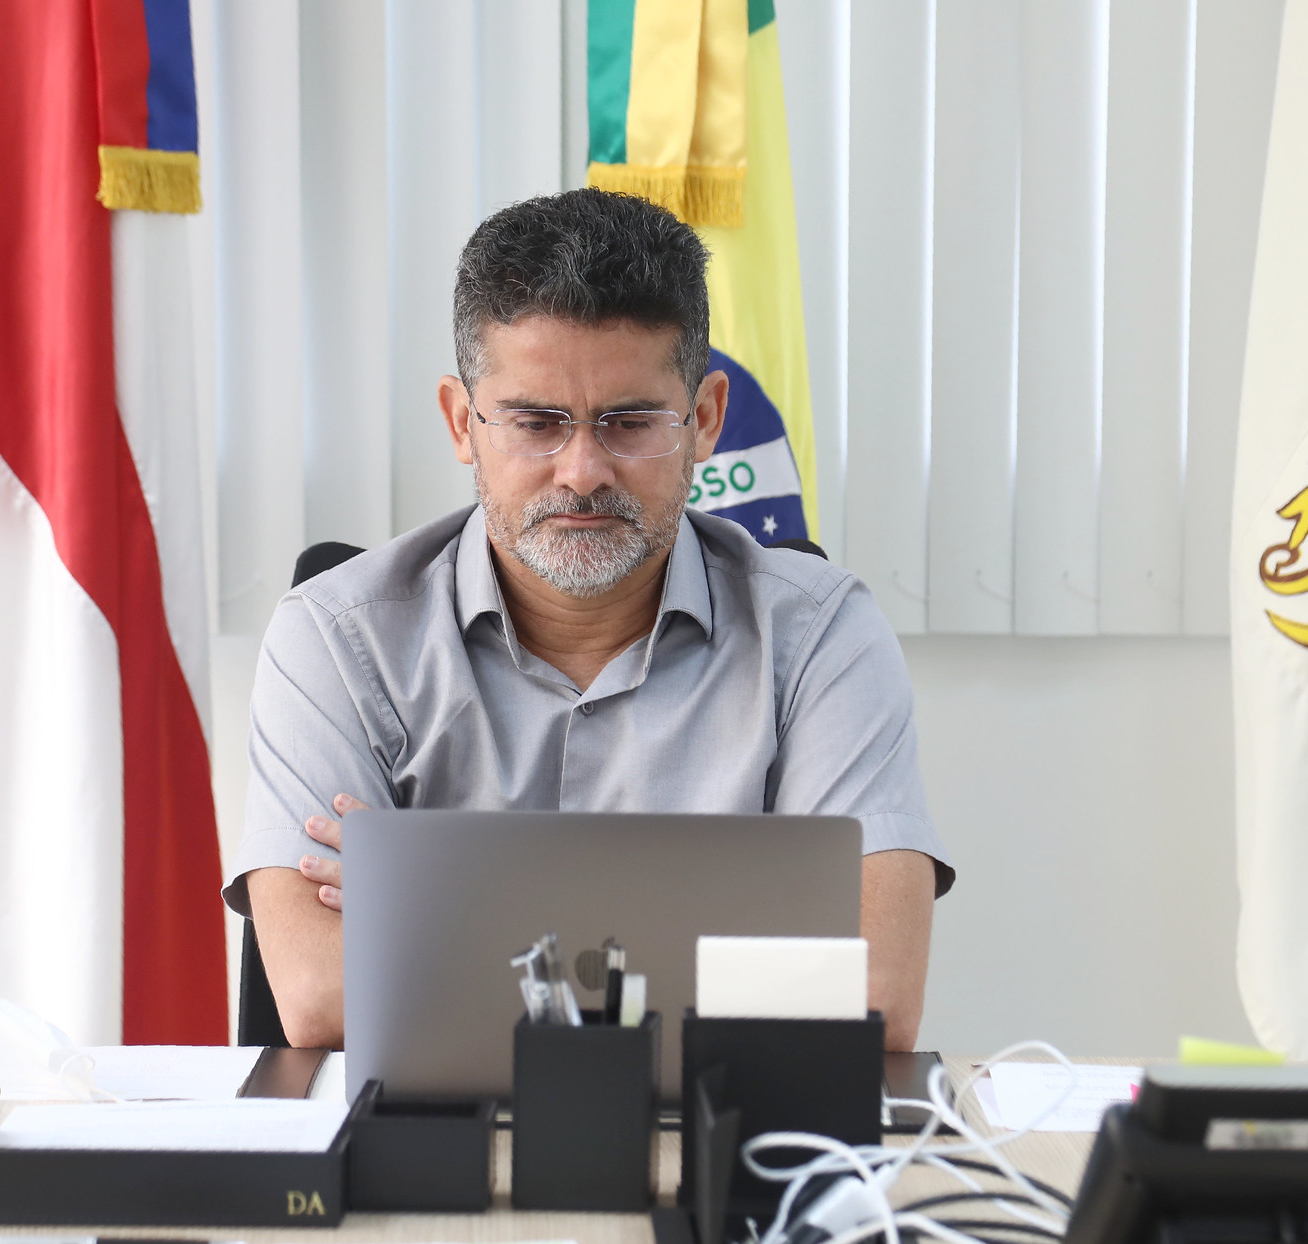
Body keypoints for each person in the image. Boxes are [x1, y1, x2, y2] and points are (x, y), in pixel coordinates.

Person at [224, 188, 952, 1050]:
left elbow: (874, 992)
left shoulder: (822, 635)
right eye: (535, 421)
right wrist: (723, 940)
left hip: (727, 1157)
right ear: (464, 421)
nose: (581, 470)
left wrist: (448, 913)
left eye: (630, 421)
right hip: (416, 1156)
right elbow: (320, 992)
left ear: (705, 419)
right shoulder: (333, 637)